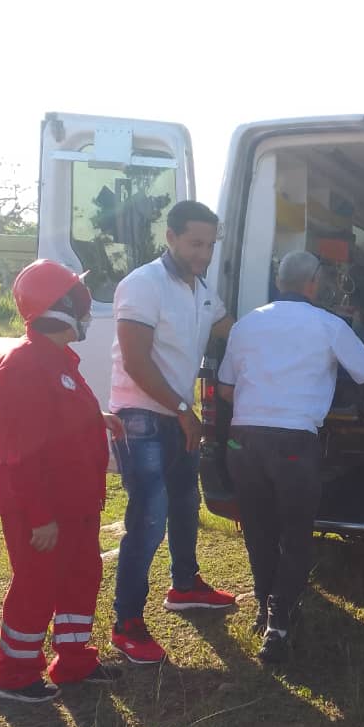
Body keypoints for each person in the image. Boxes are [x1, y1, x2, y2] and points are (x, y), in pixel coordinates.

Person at [218, 249, 364, 664]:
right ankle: (279, 626)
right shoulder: (329, 325)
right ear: (314, 283)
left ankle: (264, 607)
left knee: (258, 529)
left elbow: (225, 388)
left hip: (243, 440)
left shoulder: (246, 323)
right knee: (295, 534)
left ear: (279, 281)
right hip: (293, 442)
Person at [0, 260, 123, 703]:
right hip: (42, 508)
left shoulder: (56, 360)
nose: (86, 310)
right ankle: (14, 676)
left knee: (80, 577)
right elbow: (20, 454)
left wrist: (96, 418)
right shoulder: (22, 367)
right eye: (78, 301)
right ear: (57, 307)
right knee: (36, 586)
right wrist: (40, 517)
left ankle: (73, 661)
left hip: (75, 503)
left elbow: (55, 419)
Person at [109, 200, 237, 665]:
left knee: (184, 504)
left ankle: (184, 586)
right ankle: (126, 623)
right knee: (149, 519)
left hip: (176, 417)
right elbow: (135, 361)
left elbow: (230, 330)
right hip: (142, 417)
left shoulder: (201, 289)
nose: (203, 253)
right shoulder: (144, 284)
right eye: (194, 243)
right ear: (171, 237)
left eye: (210, 245)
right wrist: (184, 411)